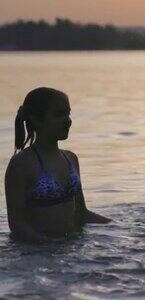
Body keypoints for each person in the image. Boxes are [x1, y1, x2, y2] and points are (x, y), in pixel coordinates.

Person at [4, 87, 110, 242]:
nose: (68, 120)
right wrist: (49, 244)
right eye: (59, 114)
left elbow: (81, 213)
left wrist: (121, 227)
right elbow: (17, 225)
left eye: (68, 113)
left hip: (71, 249)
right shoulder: (21, 164)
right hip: (36, 255)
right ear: (36, 119)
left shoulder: (71, 159)